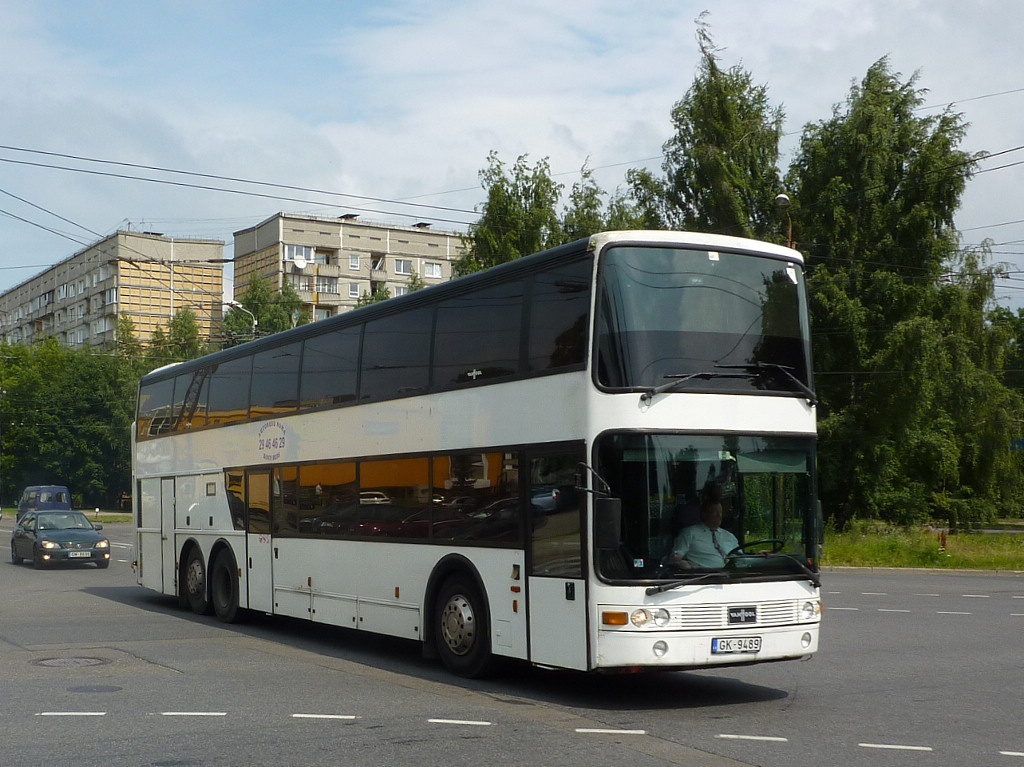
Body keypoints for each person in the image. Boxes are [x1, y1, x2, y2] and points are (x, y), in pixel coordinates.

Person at [668, 497, 739, 569]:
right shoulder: (689, 533)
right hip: (703, 577)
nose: (719, 516)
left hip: (732, 577)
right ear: (704, 514)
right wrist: (681, 564)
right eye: (715, 512)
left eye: (720, 512)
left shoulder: (729, 536)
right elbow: (675, 558)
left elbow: (742, 558)